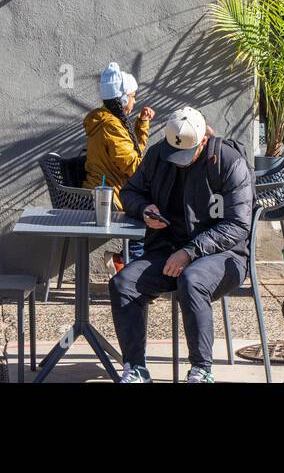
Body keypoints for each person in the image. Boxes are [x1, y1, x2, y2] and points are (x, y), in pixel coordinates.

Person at [110, 107, 252, 383]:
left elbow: (238, 225)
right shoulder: (157, 155)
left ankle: (201, 370)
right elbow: (129, 192)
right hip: (167, 250)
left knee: (192, 279)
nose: (179, 162)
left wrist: (190, 252)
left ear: (202, 142)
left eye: (186, 156)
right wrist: (144, 209)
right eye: (174, 155)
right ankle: (136, 369)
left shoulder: (228, 161)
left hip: (226, 256)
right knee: (123, 283)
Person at [84, 62, 153, 272]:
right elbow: (133, 166)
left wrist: (142, 124)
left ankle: (124, 259)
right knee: (152, 212)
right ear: (122, 99)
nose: (134, 100)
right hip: (109, 196)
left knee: (152, 208)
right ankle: (128, 264)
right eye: (132, 96)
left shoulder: (112, 121)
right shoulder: (111, 126)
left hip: (110, 190)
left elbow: (132, 156)